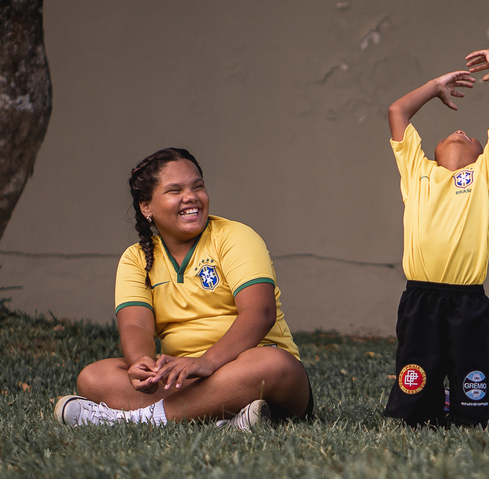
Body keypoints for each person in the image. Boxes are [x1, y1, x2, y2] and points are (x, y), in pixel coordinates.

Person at [55, 148, 312, 429]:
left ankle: (139, 419)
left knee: (274, 364)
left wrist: (206, 362)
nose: (191, 197)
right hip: (183, 377)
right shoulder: (135, 258)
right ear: (146, 207)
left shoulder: (235, 236)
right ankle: (226, 418)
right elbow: (136, 326)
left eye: (197, 187)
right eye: (175, 190)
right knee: (94, 377)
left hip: (251, 369)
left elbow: (259, 312)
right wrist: (141, 364)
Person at [382, 49, 489, 426]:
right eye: (452, 132)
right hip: (420, 298)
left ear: (483, 154)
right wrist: (435, 86)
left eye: (472, 136)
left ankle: (487, 404)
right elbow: (398, 112)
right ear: (434, 150)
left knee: (472, 406)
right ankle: (431, 402)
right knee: (410, 407)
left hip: (467, 304)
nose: (460, 132)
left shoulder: (485, 177)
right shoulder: (418, 171)